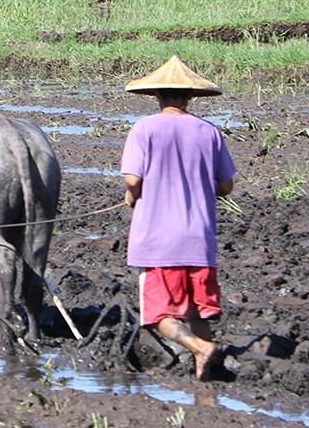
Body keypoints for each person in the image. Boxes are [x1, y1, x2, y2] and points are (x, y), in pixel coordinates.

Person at [121, 56, 236, 381]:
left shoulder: (144, 128)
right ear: (190, 97)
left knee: (160, 316)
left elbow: (132, 182)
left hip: (159, 240)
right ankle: (206, 374)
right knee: (200, 312)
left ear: (157, 95)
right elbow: (226, 186)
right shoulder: (209, 132)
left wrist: (133, 197)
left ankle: (198, 348)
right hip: (199, 240)